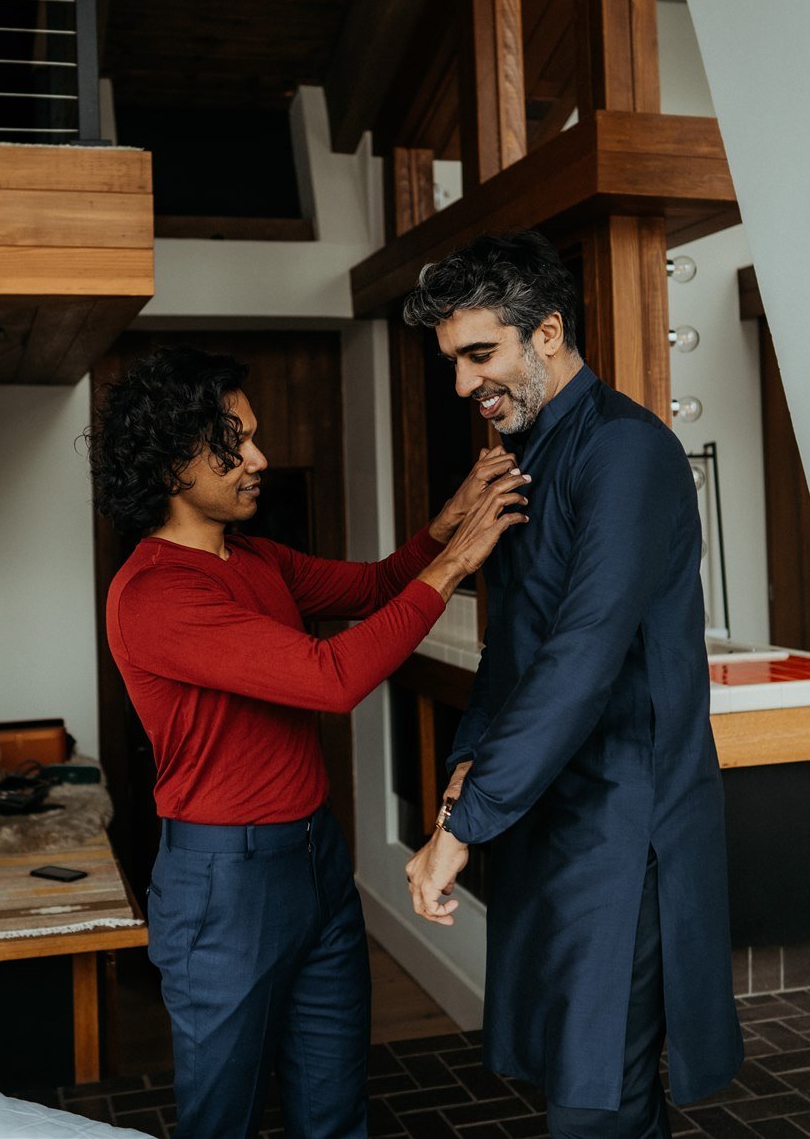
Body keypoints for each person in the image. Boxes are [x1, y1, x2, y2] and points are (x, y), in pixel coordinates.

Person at [90, 345, 528, 1139]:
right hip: (224, 882)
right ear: (168, 466)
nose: (258, 458)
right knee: (222, 1121)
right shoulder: (156, 593)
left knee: (334, 1109)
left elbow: (371, 587)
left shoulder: (252, 556)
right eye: (232, 443)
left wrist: (449, 520)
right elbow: (331, 677)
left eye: (252, 435)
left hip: (315, 860)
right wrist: (464, 557)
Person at [398, 231, 743, 1138]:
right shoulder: (524, 455)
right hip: (553, 815)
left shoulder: (626, 451)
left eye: (482, 353)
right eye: (455, 362)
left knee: (594, 1104)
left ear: (546, 331)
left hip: (626, 823)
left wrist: (463, 827)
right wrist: (465, 781)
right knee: (593, 1087)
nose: (467, 383)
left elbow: (584, 651)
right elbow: (514, 650)